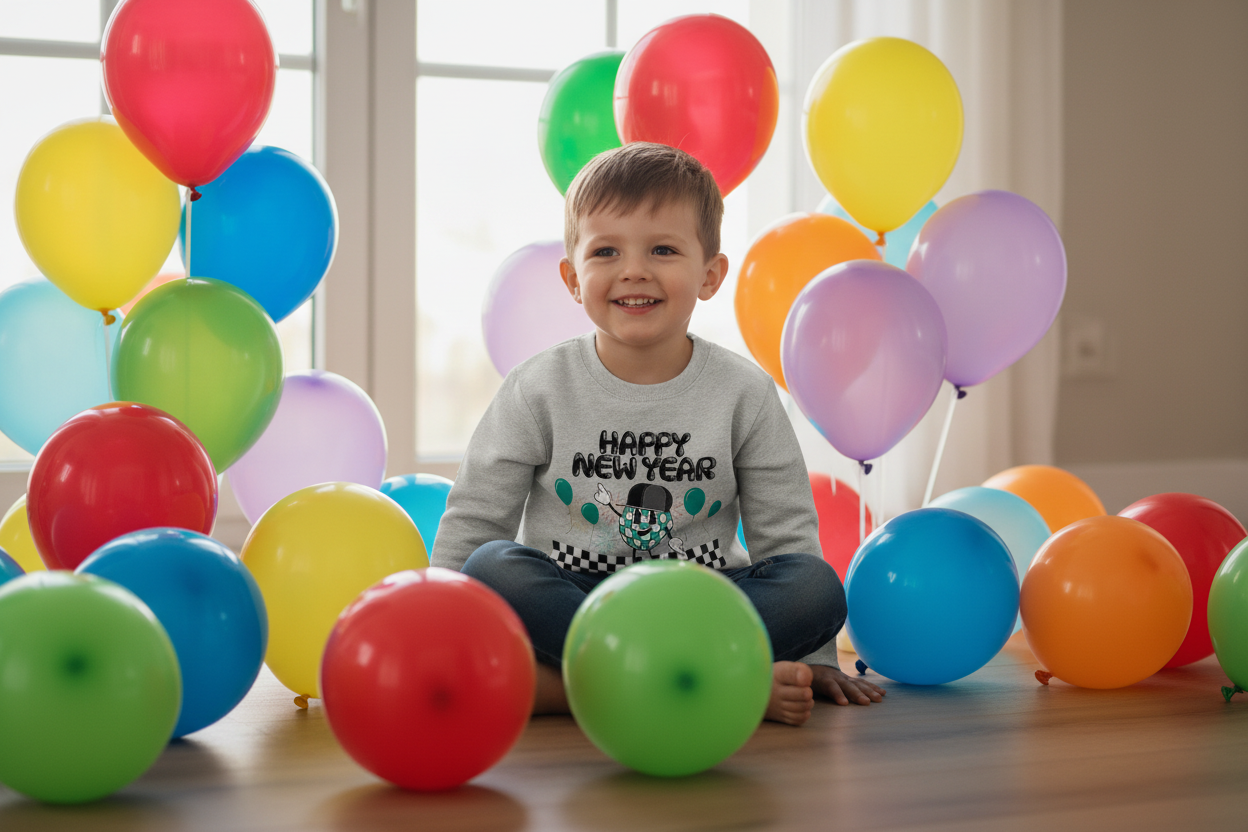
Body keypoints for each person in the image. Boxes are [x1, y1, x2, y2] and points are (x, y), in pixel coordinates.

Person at [431, 142, 884, 726]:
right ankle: (718, 679)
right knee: (492, 564)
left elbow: (785, 529)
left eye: (664, 249)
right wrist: (437, 629)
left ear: (710, 275)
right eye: (606, 251)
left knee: (815, 586)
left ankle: (607, 678)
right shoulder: (537, 386)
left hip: (705, 596)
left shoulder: (743, 391)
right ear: (573, 277)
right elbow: (476, 516)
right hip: (572, 596)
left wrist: (814, 654)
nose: (634, 270)